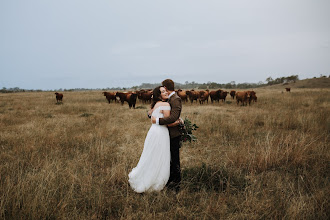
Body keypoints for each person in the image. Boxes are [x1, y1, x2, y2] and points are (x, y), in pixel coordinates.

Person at [128, 86, 181, 193]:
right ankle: (156, 180)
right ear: (159, 95)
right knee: (160, 156)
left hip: (153, 132)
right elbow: (169, 122)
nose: (166, 92)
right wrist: (179, 122)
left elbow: (151, 115)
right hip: (161, 132)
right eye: (163, 91)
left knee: (151, 155)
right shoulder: (165, 105)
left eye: (166, 90)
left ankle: (144, 175)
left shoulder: (156, 104)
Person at [151, 79, 182, 192]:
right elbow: (152, 111)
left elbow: (173, 117)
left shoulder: (176, 99)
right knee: (165, 158)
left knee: (174, 159)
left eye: (164, 89)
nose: (163, 91)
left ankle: (176, 184)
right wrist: (151, 115)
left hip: (173, 134)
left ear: (165, 87)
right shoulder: (167, 98)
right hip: (163, 134)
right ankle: (167, 181)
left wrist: (157, 120)